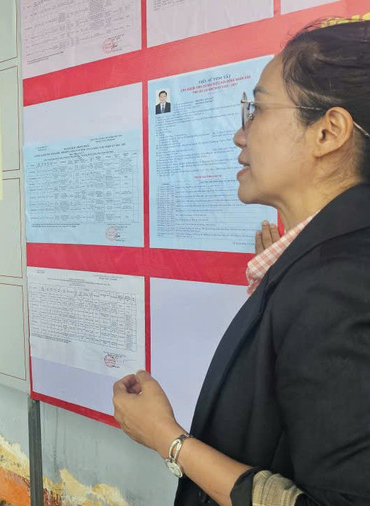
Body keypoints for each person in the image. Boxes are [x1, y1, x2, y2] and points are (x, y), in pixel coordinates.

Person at [113, 20, 370, 505]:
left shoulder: (339, 284)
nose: (239, 134)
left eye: (257, 109)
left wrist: (168, 439)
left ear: (328, 132)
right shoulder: (322, 264)